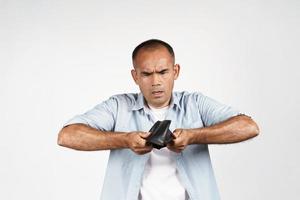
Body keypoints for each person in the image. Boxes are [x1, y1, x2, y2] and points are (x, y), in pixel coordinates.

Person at [57, 39, 259, 200]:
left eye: (163, 72)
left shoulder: (195, 103)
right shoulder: (118, 106)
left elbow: (248, 127)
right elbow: (68, 136)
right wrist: (125, 140)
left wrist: (192, 136)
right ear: (135, 76)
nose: (156, 82)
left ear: (175, 71)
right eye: (146, 74)